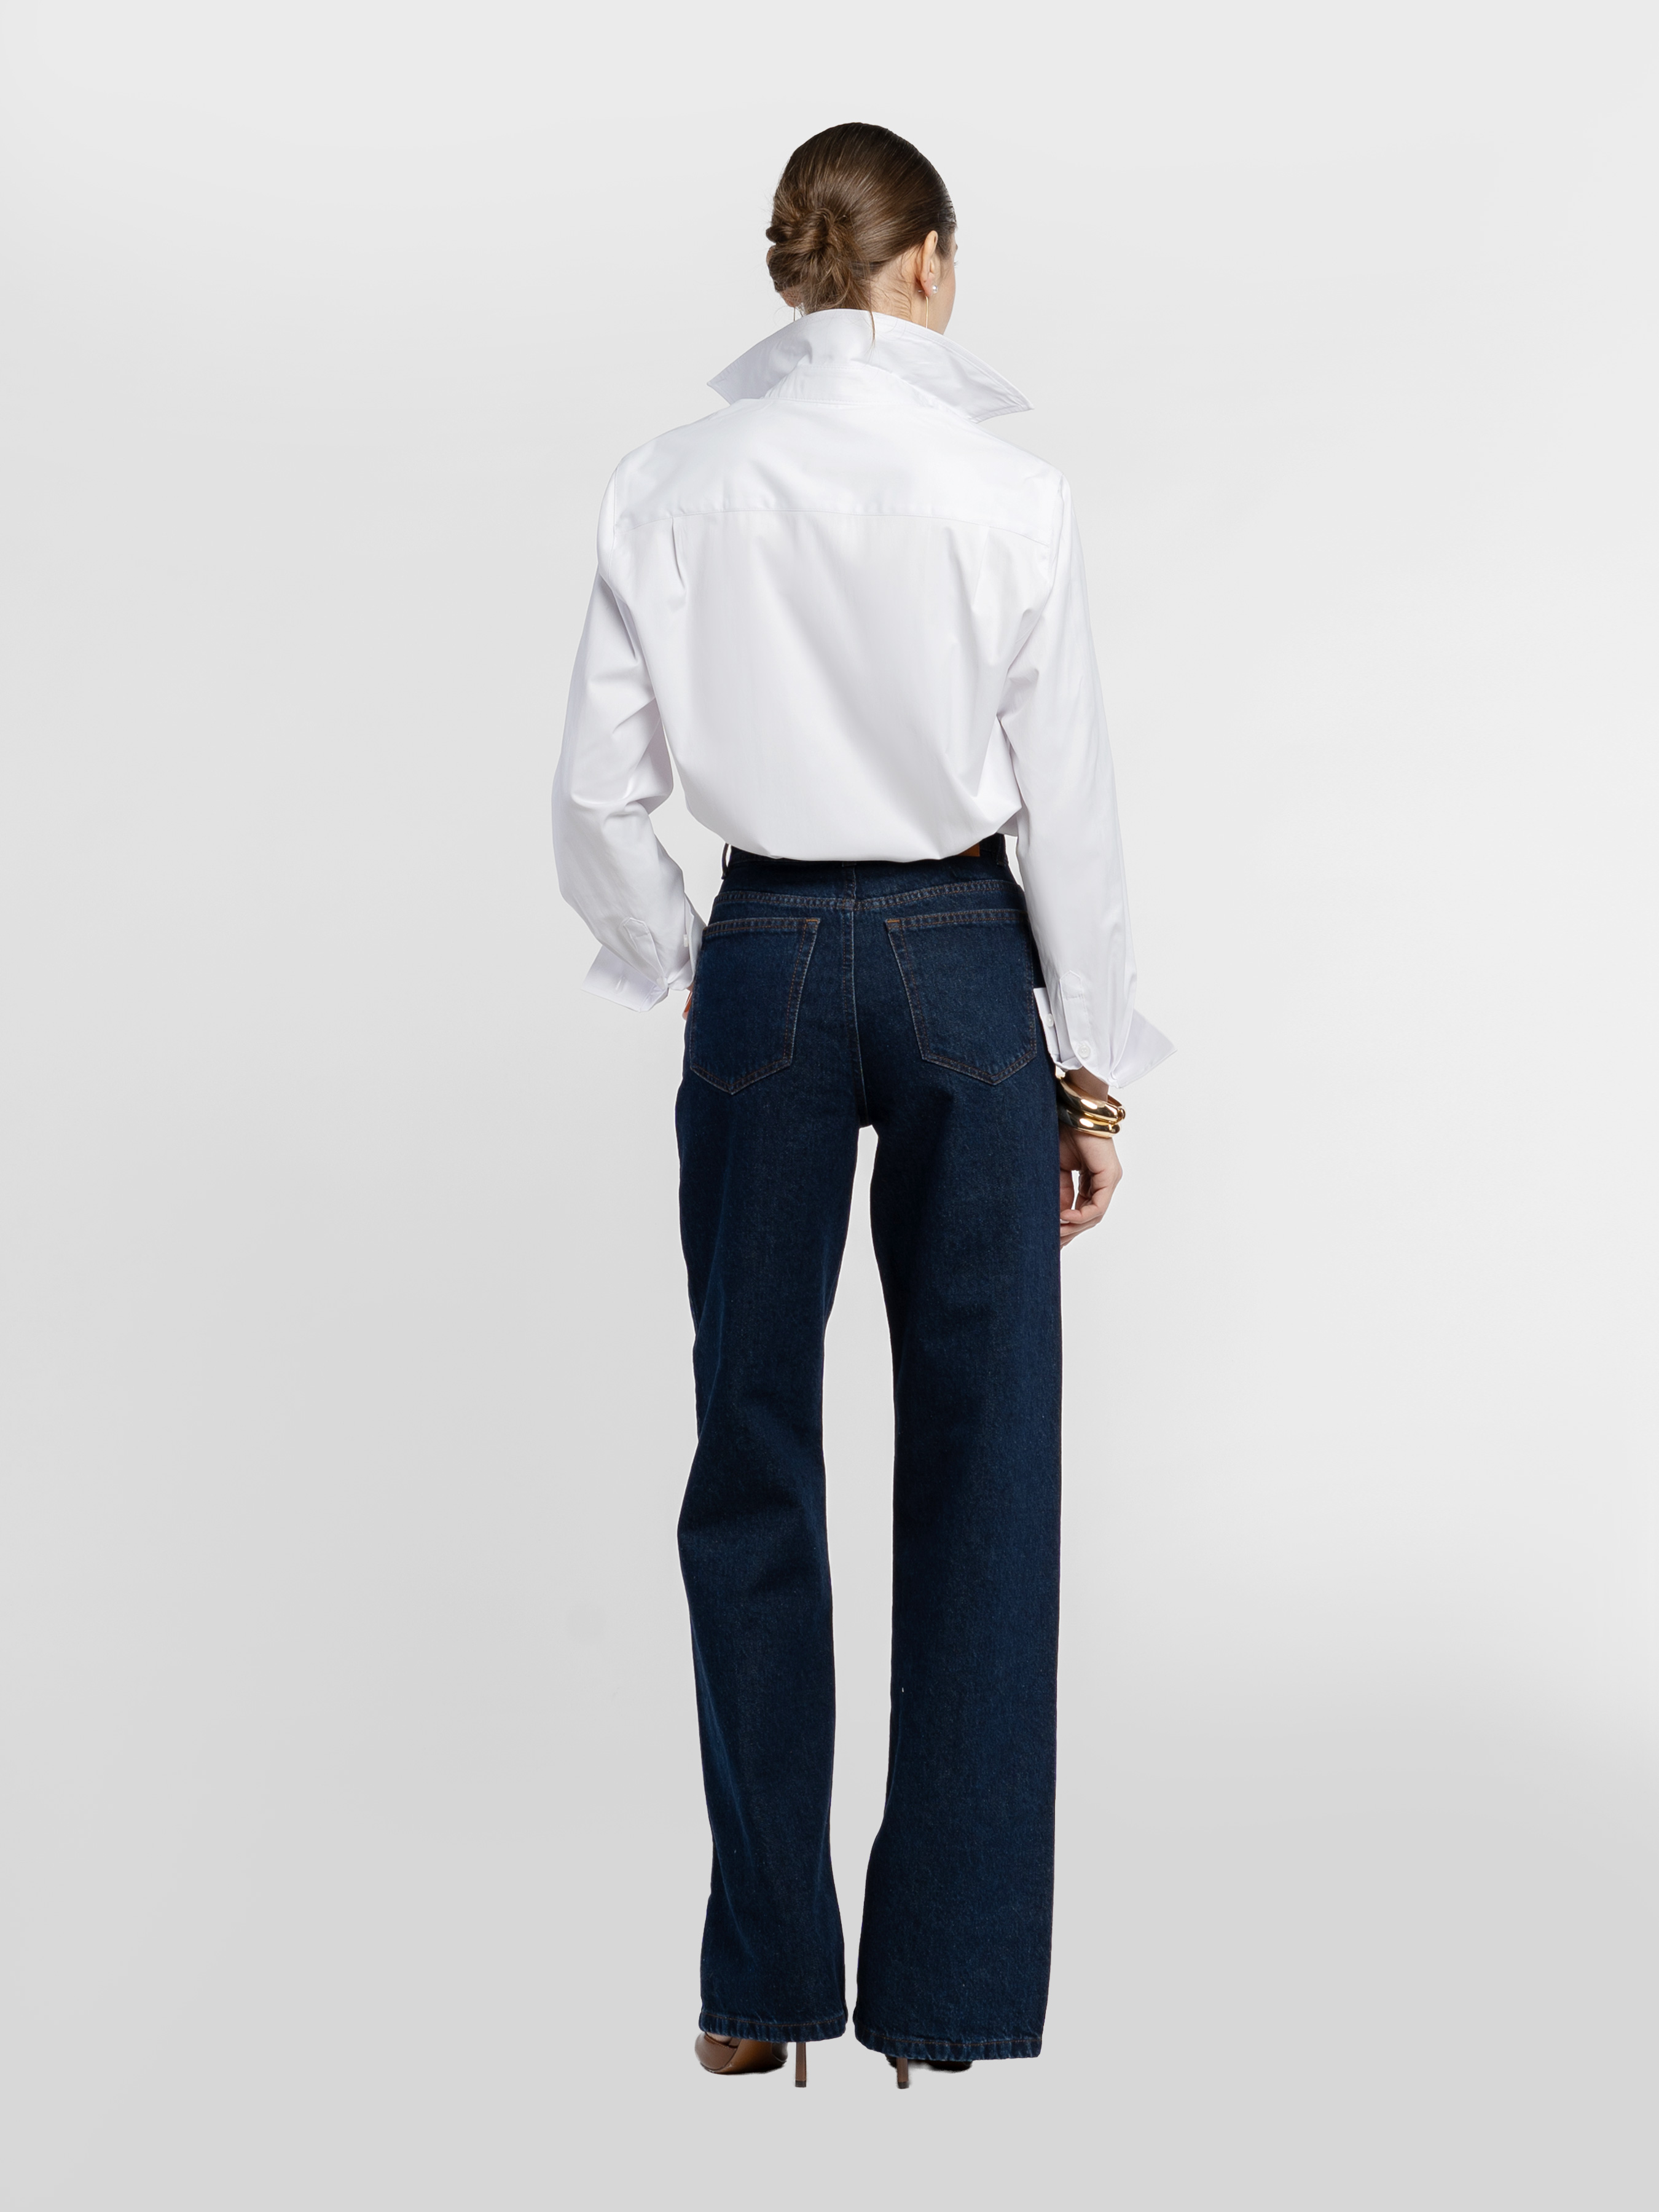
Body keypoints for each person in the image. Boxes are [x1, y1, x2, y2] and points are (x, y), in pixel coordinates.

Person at [552, 121, 1171, 2090]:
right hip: (964, 959)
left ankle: (758, 1989)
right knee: (985, 1463)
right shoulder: (1010, 493)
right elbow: (1068, 806)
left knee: (749, 1444)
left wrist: (684, 956)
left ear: (794, 265)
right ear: (930, 264)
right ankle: (943, 2002)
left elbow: (595, 794)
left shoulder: (669, 481)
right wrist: (1093, 1069)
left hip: (764, 950)